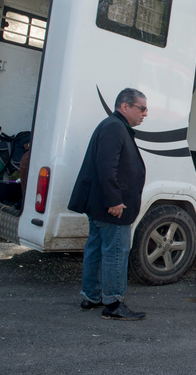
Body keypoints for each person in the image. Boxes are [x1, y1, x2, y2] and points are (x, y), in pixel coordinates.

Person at [68, 88, 148, 321]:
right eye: (141, 108)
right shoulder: (114, 127)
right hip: (112, 206)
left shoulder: (114, 125)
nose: (145, 114)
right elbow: (107, 167)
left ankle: (91, 296)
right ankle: (112, 304)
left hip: (99, 205)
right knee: (115, 252)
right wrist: (114, 200)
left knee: (95, 248)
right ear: (125, 106)